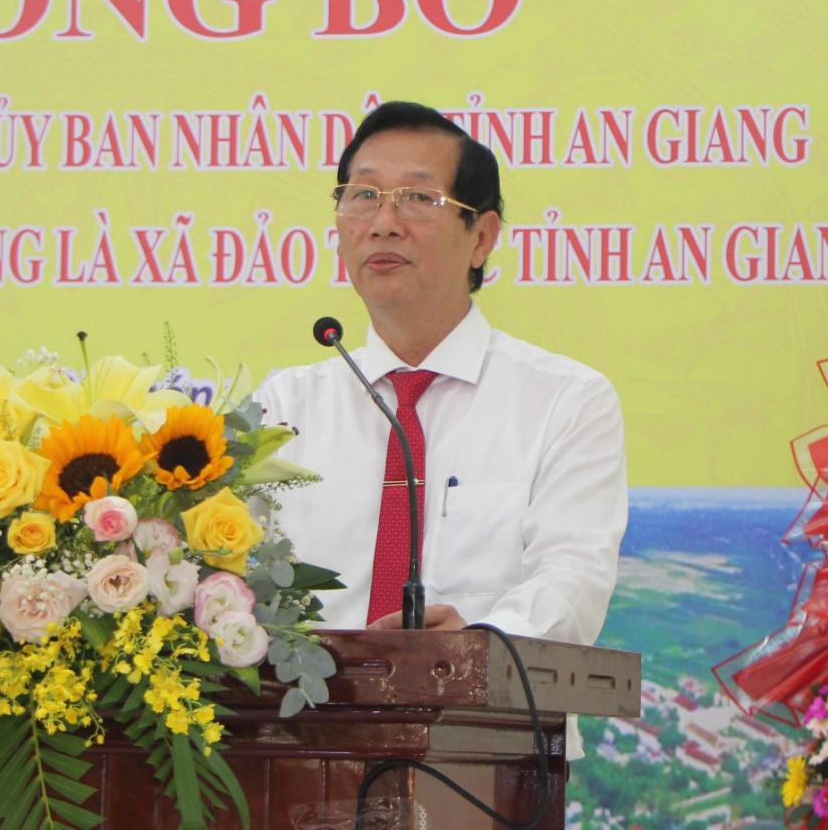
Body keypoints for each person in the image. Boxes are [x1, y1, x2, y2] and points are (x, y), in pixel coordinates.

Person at [256, 101, 628, 647]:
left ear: (482, 237)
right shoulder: (283, 407)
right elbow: (224, 580)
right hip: (309, 702)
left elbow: (573, 583)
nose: (384, 224)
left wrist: (477, 645)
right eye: (363, 196)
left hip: (484, 699)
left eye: (418, 199)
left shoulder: (565, 402)